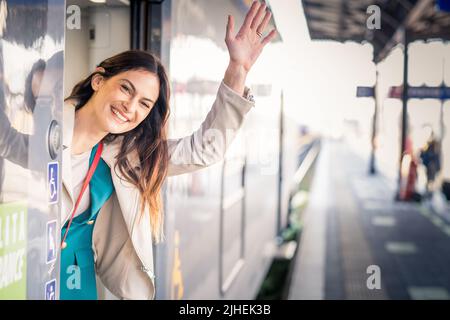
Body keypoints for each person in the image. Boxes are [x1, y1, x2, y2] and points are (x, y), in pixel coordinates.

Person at [59, 1, 276, 300]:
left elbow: (205, 149)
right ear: (99, 80)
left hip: (73, 279)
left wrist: (237, 69)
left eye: (145, 104)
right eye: (125, 88)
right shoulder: (42, 130)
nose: (130, 107)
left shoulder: (127, 155)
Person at [420, 133, 441, 198]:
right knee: (429, 181)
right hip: (429, 167)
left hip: (432, 167)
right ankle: (428, 195)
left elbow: (437, 158)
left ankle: (430, 195)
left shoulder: (435, 147)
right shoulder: (428, 146)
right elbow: (423, 155)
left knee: (431, 181)